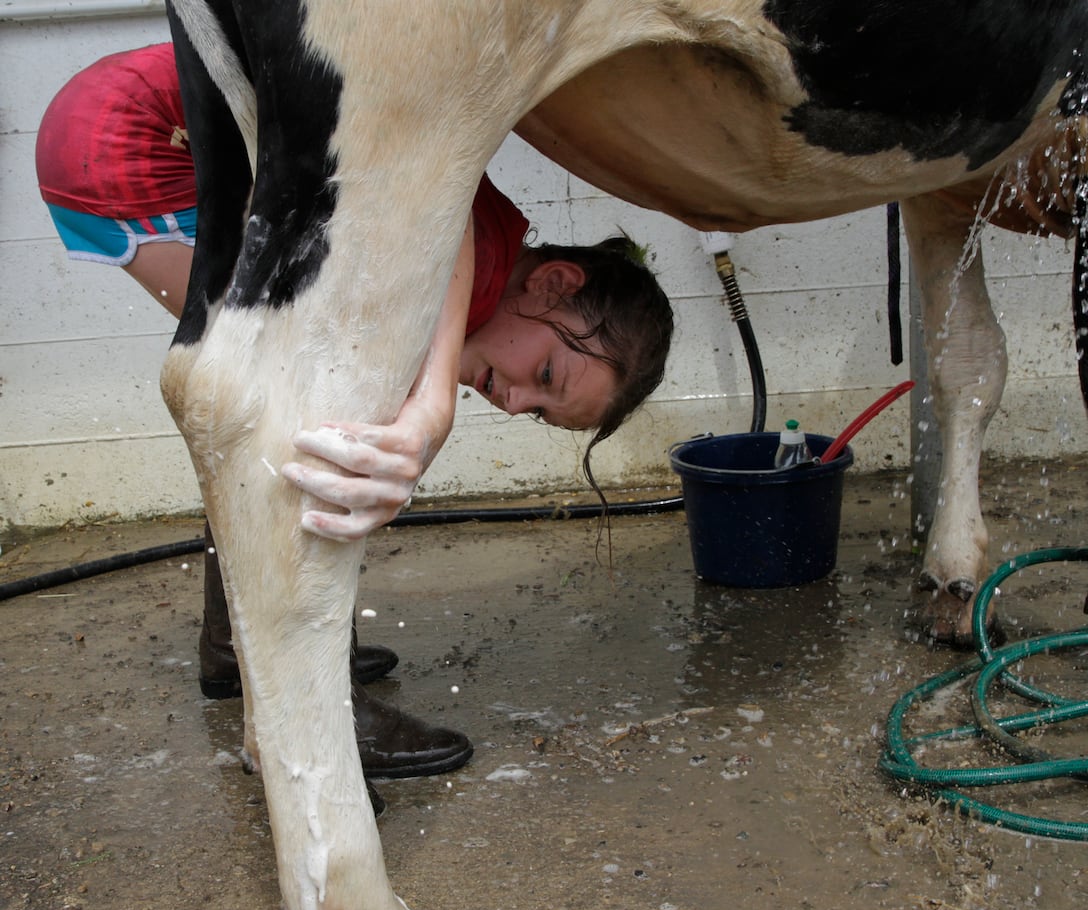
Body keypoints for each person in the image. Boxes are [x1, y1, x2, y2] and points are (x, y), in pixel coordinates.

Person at [35, 44, 674, 779]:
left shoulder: (488, 265)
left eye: (535, 412)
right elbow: (446, 201)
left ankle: (231, 646)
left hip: (120, 114)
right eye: (545, 375)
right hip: (146, 138)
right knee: (296, 416)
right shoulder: (486, 254)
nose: (512, 398)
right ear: (553, 284)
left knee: (275, 393)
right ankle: (311, 699)